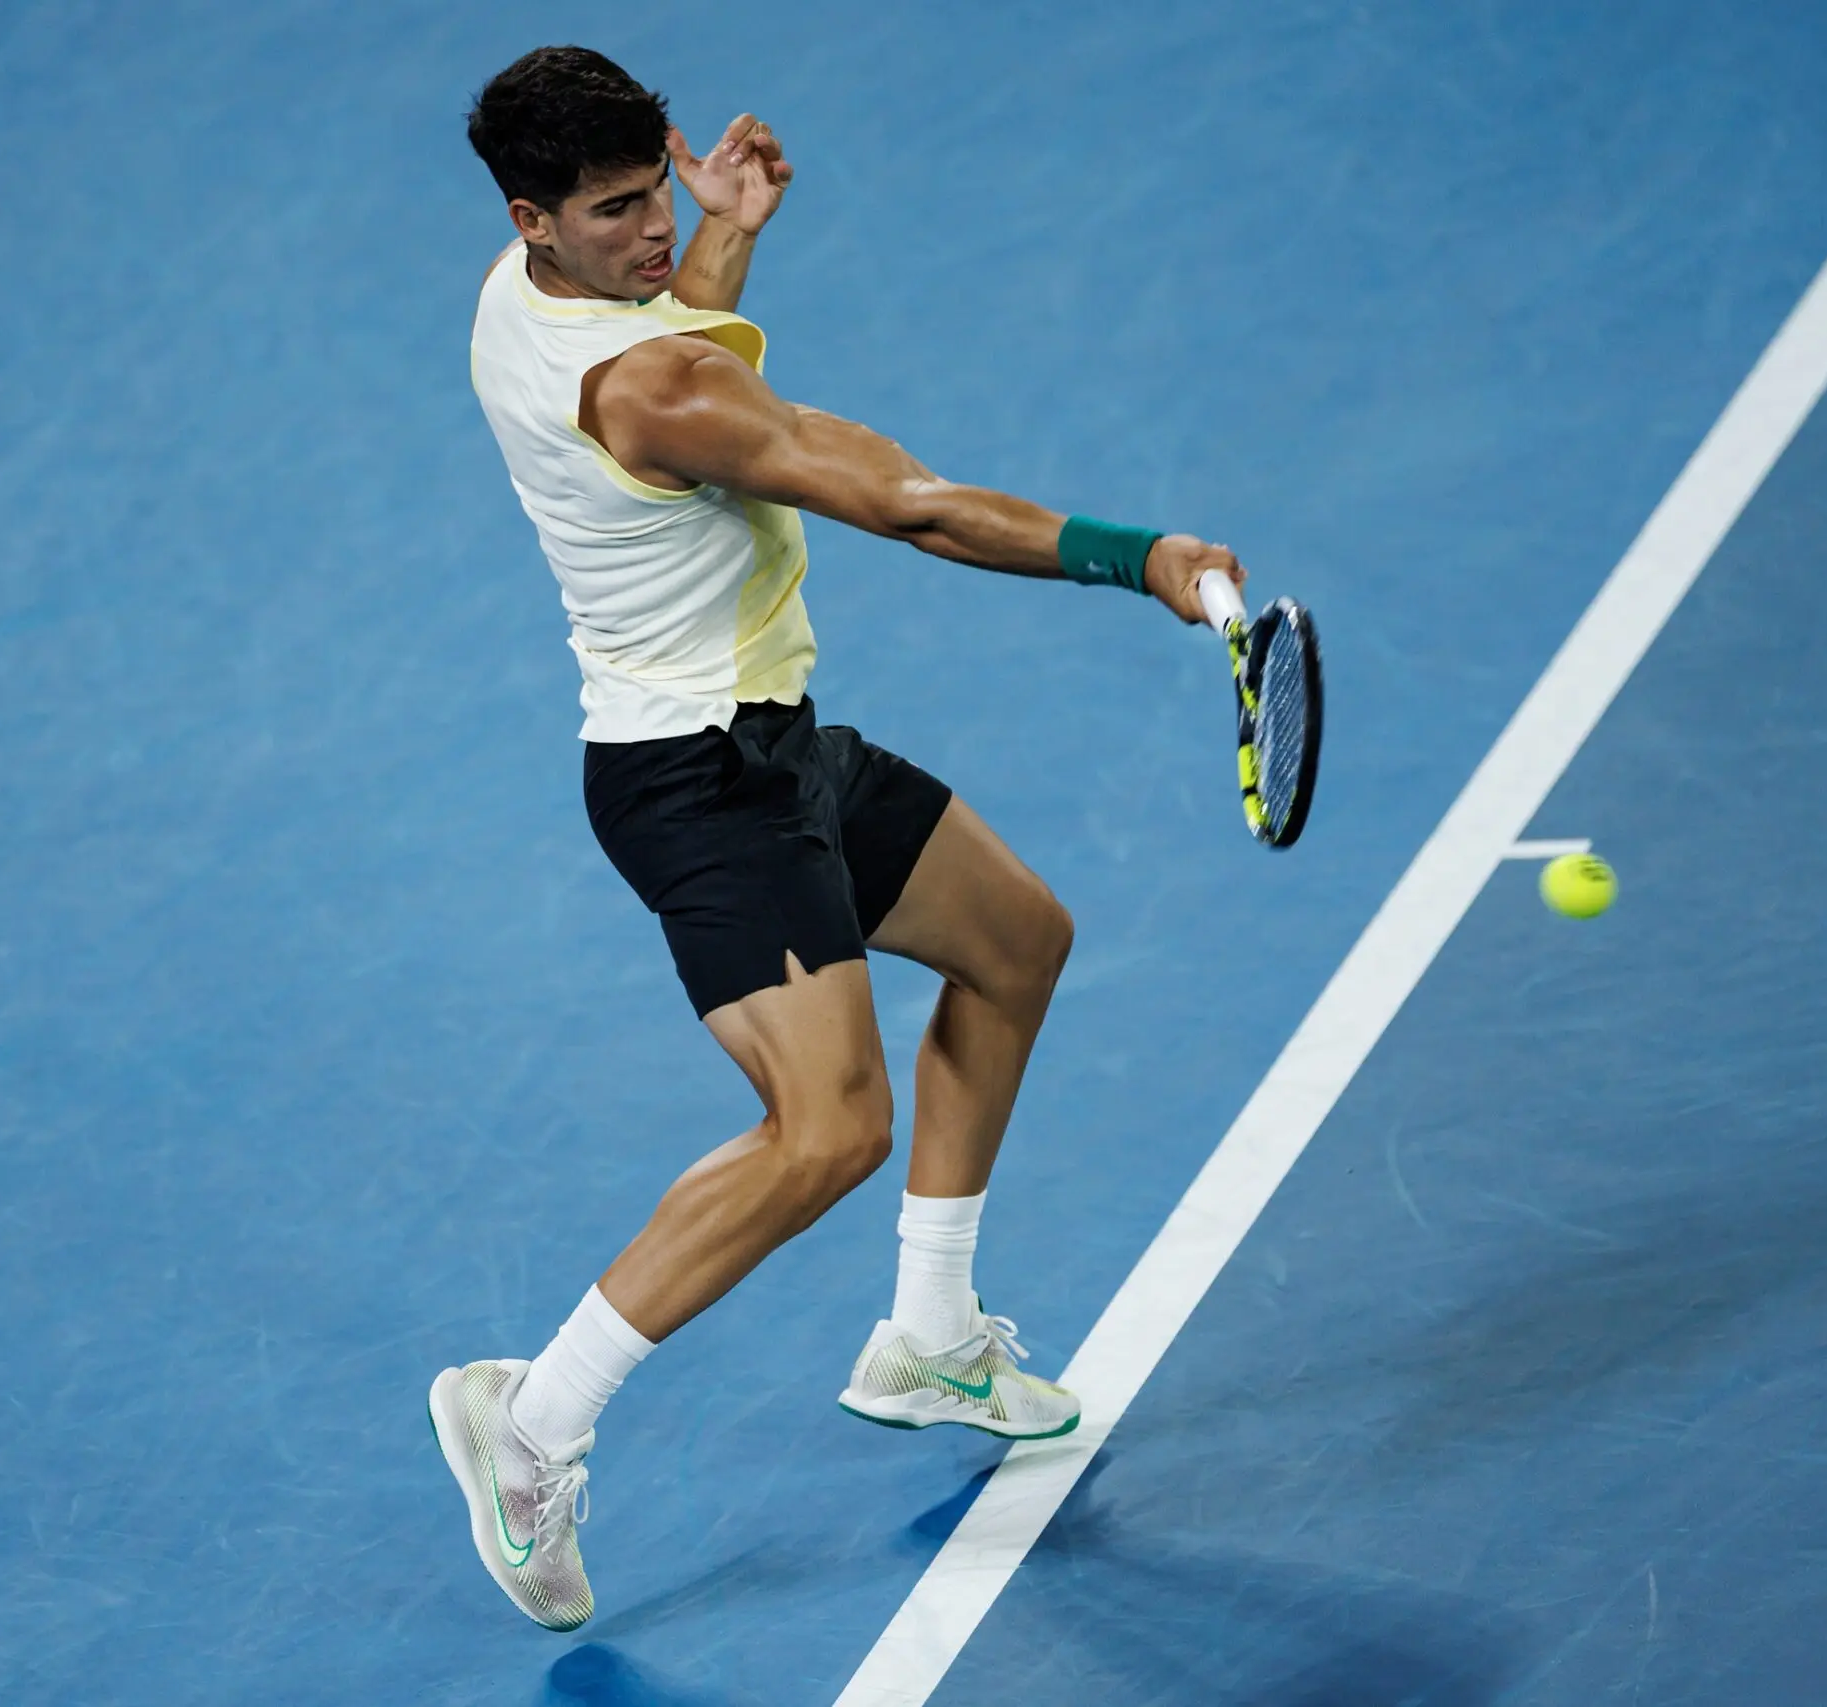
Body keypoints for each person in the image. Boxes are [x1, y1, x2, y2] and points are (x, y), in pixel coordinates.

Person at [428, 45, 1245, 1632]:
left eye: (654, 186)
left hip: (776, 740)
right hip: (696, 786)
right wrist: (1135, 557)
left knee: (1018, 942)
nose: (652, 227)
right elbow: (910, 505)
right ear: (538, 212)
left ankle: (930, 1330)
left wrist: (721, 241)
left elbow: (680, 331)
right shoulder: (654, 388)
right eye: (616, 213)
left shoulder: (526, 289)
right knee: (825, 1131)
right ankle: (531, 1417)